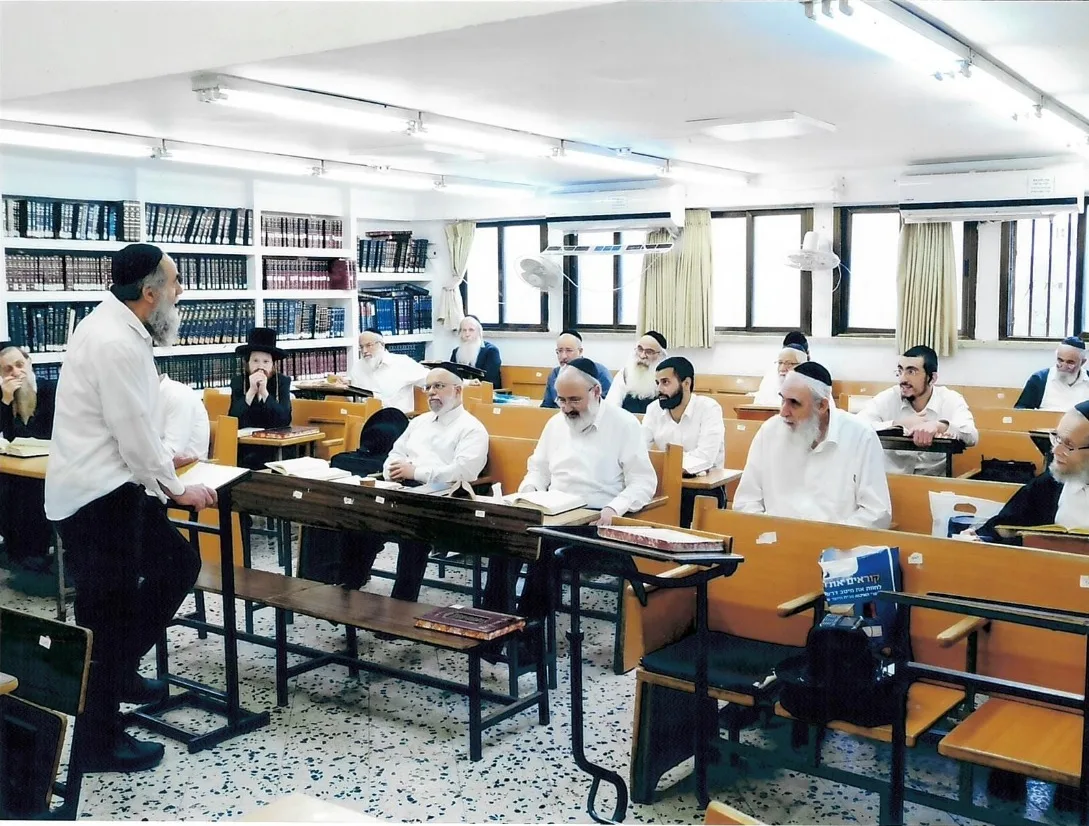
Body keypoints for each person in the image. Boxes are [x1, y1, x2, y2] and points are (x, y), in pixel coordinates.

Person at [44, 243, 216, 773]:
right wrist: (175, 486)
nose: (180, 292)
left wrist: (163, 459)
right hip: (104, 499)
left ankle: (119, 672)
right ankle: (100, 739)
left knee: (171, 569)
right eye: (174, 283)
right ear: (149, 293)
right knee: (109, 620)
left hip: (104, 492)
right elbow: (133, 432)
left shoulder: (106, 324)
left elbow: (131, 424)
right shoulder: (119, 342)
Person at [483, 358, 657, 629]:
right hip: (553, 511)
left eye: (574, 400)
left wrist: (614, 508)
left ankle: (533, 638)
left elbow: (643, 482)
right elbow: (538, 469)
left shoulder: (624, 425)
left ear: (596, 392)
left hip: (595, 520)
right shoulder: (555, 424)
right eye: (561, 400)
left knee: (545, 549)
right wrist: (528, 493)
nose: (567, 409)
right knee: (504, 540)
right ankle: (494, 630)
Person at [339, 364, 488, 601]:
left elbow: (464, 472)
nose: (431, 392)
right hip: (402, 491)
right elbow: (395, 453)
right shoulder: (419, 422)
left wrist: (416, 472)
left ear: (458, 390)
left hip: (444, 499)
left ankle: (401, 606)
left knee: (411, 536)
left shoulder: (471, 428)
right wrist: (392, 470)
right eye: (428, 387)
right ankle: (348, 592)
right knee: (359, 520)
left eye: (438, 386)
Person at [734, 362, 891, 529]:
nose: (783, 412)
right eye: (783, 400)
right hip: (776, 543)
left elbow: (876, 512)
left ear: (822, 406)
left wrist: (828, 540)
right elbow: (746, 502)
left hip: (840, 548)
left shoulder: (861, 436)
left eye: (794, 403)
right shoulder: (769, 432)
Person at [973, 401, 1089, 543]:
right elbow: (1004, 526)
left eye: (1069, 445)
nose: (1055, 451)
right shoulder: (1050, 483)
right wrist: (978, 537)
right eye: (1057, 439)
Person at [855, 345, 978, 476]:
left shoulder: (949, 399)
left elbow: (972, 435)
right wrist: (897, 424)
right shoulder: (889, 397)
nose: (903, 379)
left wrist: (938, 426)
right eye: (900, 371)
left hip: (932, 484)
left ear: (932, 378)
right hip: (889, 483)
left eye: (911, 372)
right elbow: (856, 426)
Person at [641, 356, 726, 526]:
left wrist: (667, 466)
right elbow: (640, 448)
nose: (659, 389)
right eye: (657, 383)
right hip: (664, 484)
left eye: (665, 382)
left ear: (686, 383)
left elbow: (705, 457)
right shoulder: (653, 410)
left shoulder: (709, 408)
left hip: (701, 490)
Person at [0, 341, 57, 572]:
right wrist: (5, 401)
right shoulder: (4, 398)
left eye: (19, 364)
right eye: (8, 369)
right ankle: (20, 551)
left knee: (28, 491)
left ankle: (32, 550)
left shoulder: (50, 391)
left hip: (50, 467)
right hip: (17, 469)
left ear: (29, 363)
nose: (16, 372)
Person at [229, 328, 293, 470]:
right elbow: (233, 417)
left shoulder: (282, 382)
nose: (260, 366)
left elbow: (284, 418)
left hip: (274, 446)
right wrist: (251, 392)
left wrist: (264, 393)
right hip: (246, 446)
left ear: (272, 365)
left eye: (266, 362)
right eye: (255, 361)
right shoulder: (239, 382)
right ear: (248, 363)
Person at [342, 328, 428, 413]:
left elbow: (429, 378)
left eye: (368, 345)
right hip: (367, 419)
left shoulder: (402, 363)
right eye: (361, 347)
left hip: (398, 418)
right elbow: (353, 397)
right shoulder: (358, 367)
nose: (364, 351)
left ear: (382, 345)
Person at [540, 330, 612, 409]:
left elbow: (607, 406)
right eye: (560, 351)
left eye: (569, 351)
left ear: (580, 351)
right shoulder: (555, 374)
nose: (563, 356)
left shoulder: (599, 372)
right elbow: (547, 406)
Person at [1015, 337, 1089, 411]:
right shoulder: (1039, 379)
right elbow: (1021, 411)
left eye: (1070, 362)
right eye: (1060, 360)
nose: (1064, 366)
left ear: (1082, 362)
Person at [605, 331, 668, 414]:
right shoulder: (625, 374)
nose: (642, 356)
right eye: (640, 349)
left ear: (661, 356)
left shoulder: (667, 379)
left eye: (649, 352)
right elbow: (611, 408)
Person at [157, 371, 210, 467]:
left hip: (188, 470)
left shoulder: (176, 395)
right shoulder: (148, 396)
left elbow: (173, 452)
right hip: (156, 470)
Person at [754, 331, 809, 404]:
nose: (782, 368)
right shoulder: (771, 374)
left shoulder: (813, 377)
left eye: (789, 363)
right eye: (780, 363)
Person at [450, 315, 502, 389]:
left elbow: (489, 381)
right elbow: (451, 377)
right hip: (460, 393)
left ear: (479, 332)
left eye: (471, 330)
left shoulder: (490, 351)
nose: (467, 334)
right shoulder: (456, 352)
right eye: (464, 330)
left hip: (486, 394)